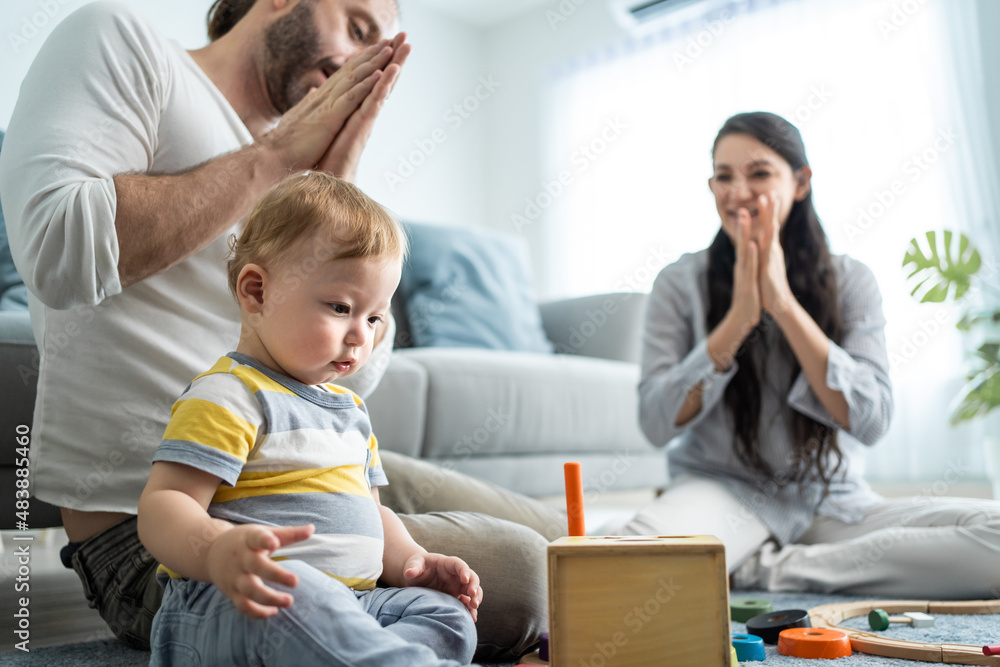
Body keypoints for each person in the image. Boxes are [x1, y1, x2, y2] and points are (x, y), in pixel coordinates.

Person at [0, 1, 548, 659]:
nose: (359, 62)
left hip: (310, 457)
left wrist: (326, 189)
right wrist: (275, 160)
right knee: (526, 576)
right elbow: (57, 248)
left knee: (563, 535)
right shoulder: (126, 47)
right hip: (187, 527)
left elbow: (353, 376)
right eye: (356, 26)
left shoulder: (310, 182)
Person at [627, 111, 1000, 598]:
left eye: (759, 173)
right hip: (722, 493)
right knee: (620, 569)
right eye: (723, 177)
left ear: (800, 182)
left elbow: (870, 419)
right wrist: (738, 320)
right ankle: (736, 559)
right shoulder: (679, 283)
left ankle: (765, 572)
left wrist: (781, 304)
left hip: (832, 500)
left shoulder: (851, 280)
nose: (738, 192)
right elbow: (657, 422)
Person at [138, 172, 480, 666]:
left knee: (445, 614)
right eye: (342, 307)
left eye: (374, 317)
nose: (361, 335)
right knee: (300, 598)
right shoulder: (231, 395)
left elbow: (372, 513)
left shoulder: (352, 412)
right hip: (239, 602)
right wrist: (216, 550)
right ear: (256, 293)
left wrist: (413, 563)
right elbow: (163, 504)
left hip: (355, 603)